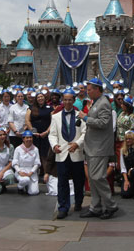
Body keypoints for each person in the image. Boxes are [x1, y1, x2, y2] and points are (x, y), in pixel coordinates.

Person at [78, 78, 118, 220]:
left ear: (96, 89)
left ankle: (111, 205)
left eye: (89, 90)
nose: (87, 92)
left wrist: (85, 118)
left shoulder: (104, 104)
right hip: (92, 147)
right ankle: (95, 207)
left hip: (100, 148)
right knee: (93, 179)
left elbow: (103, 123)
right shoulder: (96, 102)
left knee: (97, 177)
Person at [49, 88, 86, 219]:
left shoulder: (80, 115)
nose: (68, 102)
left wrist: (77, 144)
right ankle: (63, 207)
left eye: (70, 100)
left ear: (74, 100)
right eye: (65, 100)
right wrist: (54, 145)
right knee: (62, 182)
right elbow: (52, 134)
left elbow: (84, 133)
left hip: (76, 152)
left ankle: (78, 202)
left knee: (78, 180)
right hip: (62, 153)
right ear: (62, 101)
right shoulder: (55, 117)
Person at [27, 92, 52, 179]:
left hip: (46, 135)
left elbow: (53, 121)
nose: (40, 98)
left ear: (44, 98)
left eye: (42, 97)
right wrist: (33, 131)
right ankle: (33, 175)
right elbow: (27, 120)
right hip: (35, 135)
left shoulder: (49, 108)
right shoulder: (31, 108)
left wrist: (47, 132)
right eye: (38, 97)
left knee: (45, 155)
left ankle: (46, 174)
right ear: (36, 99)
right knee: (34, 155)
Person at [12, 130, 41, 195]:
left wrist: (32, 172)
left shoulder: (35, 149)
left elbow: (37, 163)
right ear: (23, 139)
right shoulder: (18, 149)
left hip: (31, 172)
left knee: (34, 192)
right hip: (22, 170)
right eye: (27, 138)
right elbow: (15, 162)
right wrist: (19, 171)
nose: (29, 139)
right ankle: (20, 187)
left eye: (30, 137)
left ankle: (28, 186)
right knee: (25, 180)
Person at [115, 96, 134, 169]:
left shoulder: (132, 116)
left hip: (126, 140)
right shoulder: (121, 114)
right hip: (118, 138)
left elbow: (132, 128)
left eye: (123, 104)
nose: (121, 106)